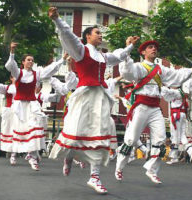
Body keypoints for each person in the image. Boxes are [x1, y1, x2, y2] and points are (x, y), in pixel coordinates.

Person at [48, 7, 138, 194]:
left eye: (100, 33)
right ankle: (69, 157)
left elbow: (119, 55)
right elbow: (68, 36)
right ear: (88, 36)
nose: (100, 36)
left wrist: (129, 46)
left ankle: (94, 176)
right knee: (76, 130)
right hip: (85, 96)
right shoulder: (80, 51)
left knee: (101, 130)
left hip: (101, 97)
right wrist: (57, 20)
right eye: (97, 33)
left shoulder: (103, 56)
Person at [115, 40, 192, 184]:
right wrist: (127, 52)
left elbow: (176, 75)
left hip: (155, 109)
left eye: (155, 47)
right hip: (141, 107)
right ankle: (119, 167)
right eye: (150, 47)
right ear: (143, 52)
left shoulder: (161, 69)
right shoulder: (139, 66)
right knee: (131, 139)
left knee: (160, 140)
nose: (154, 49)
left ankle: (152, 170)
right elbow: (127, 72)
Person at [5, 42, 67, 171]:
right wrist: (12, 51)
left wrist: (62, 59)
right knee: (20, 130)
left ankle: (32, 157)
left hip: (32, 104)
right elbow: (11, 66)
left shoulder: (36, 73)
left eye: (32, 60)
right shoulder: (18, 73)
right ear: (23, 62)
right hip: (20, 105)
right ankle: (14, 154)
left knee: (35, 127)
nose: (30, 62)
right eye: (28, 60)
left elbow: (49, 70)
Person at [161, 86, 192, 165]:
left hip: (176, 115)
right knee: (182, 136)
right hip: (182, 114)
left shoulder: (175, 91)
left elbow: (164, 91)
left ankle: (174, 157)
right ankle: (191, 150)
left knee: (174, 136)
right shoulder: (182, 93)